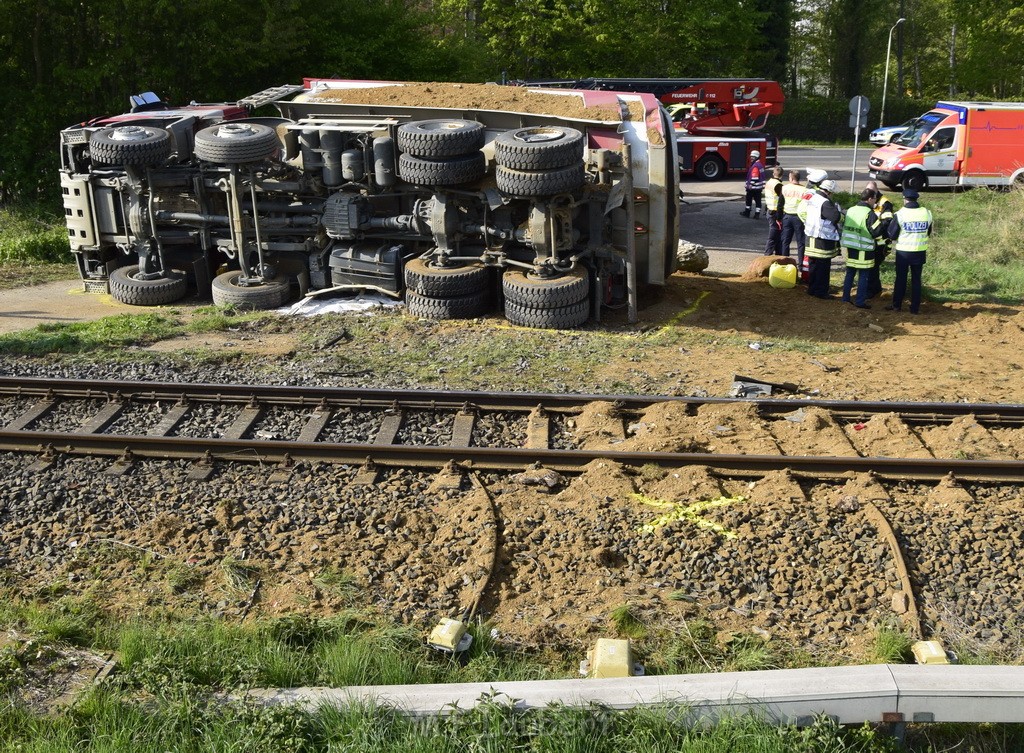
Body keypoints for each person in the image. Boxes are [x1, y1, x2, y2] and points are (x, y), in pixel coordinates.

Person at [886, 188, 933, 314]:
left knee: (901, 279)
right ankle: (915, 308)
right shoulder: (926, 213)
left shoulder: (900, 214)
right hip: (919, 251)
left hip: (903, 253)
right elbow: (928, 231)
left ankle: (896, 306)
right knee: (916, 280)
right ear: (916, 199)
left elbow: (892, 235)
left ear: (904, 199)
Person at [798, 178, 843, 299]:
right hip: (822, 240)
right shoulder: (825, 202)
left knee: (813, 265)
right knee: (823, 267)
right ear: (828, 191)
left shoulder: (812, 198)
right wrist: (838, 210)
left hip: (810, 237)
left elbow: (801, 211)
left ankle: (812, 289)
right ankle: (821, 292)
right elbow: (836, 217)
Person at [840, 188, 884, 308]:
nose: (875, 202)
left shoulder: (850, 210)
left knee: (850, 274)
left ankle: (845, 298)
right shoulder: (869, 214)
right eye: (874, 199)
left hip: (850, 248)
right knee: (863, 276)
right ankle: (860, 301)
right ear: (869, 199)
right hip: (864, 249)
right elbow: (877, 232)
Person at [864, 180, 894, 298]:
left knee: (873, 266)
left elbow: (887, 222)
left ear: (876, 192)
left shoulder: (885, 203)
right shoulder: (868, 199)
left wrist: (874, 228)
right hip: (870, 240)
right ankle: (875, 288)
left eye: (871, 192)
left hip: (880, 242)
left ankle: (872, 290)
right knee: (872, 267)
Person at [779, 170, 806, 261]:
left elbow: (780, 204)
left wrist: (778, 218)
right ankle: (801, 265)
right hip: (799, 218)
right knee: (801, 242)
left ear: (791, 178)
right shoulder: (804, 190)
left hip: (787, 217)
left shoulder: (784, 188)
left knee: (785, 241)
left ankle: (785, 261)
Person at [763, 166, 784, 255]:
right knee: (774, 234)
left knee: (778, 234)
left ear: (773, 173)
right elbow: (781, 200)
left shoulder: (769, 182)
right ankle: (768, 253)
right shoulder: (778, 185)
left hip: (769, 209)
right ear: (782, 175)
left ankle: (779, 253)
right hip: (775, 212)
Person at [740, 149, 765, 218]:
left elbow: (754, 177)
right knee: (758, 201)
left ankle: (747, 212)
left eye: (752, 157)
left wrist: (750, 185)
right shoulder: (760, 165)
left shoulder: (755, 166)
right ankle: (757, 214)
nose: (751, 158)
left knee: (748, 200)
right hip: (759, 188)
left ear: (756, 157)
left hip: (753, 188)